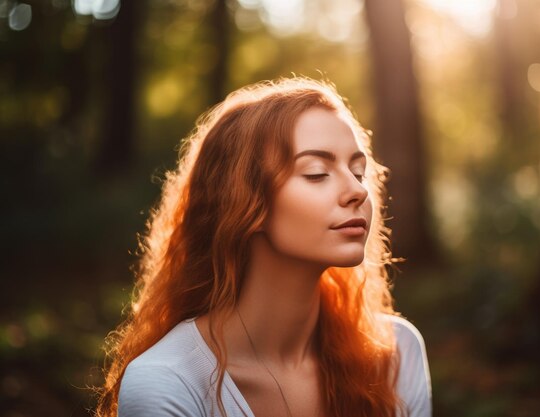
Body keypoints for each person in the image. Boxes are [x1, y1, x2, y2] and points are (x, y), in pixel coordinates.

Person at [95, 77, 431, 417]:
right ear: (244, 201)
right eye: (316, 173)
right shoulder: (169, 381)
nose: (358, 192)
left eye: (358, 173)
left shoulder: (395, 354)